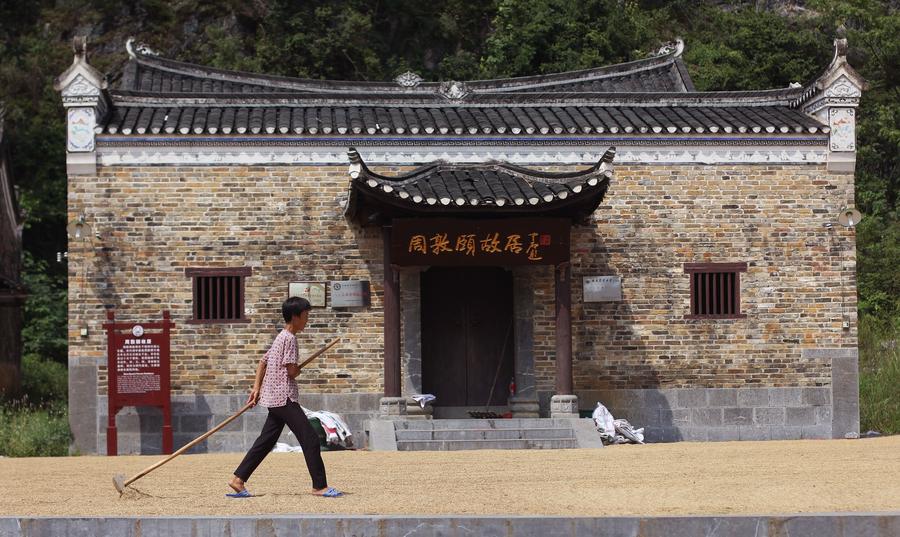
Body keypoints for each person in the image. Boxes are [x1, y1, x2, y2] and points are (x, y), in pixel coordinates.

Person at [227, 296, 342, 498]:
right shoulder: (289, 339)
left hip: (273, 398)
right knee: (311, 439)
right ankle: (320, 486)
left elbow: (263, 362)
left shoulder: (281, 337)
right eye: (305, 316)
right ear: (295, 317)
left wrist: (257, 389)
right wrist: (297, 370)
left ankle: (238, 479)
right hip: (283, 398)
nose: (307, 320)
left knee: (265, 441)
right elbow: (291, 372)